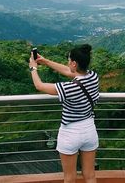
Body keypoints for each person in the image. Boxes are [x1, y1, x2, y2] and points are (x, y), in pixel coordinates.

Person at [29, 44, 100, 183]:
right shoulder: (93, 77)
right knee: (90, 175)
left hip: (70, 133)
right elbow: (70, 72)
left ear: (74, 63)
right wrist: (46, 61)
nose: (67, 63)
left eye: (69, 61)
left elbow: (39, 85)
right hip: (89, 130)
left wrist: (33, 67)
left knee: (69, 178)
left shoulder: (69, 88)